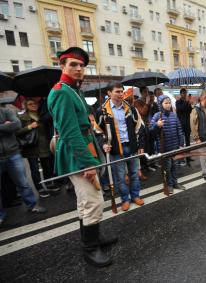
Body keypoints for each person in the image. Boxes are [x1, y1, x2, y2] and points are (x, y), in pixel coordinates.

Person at [47, 47, 116, 267]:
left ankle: (94, 237)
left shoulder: (72, 89)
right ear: (62, 66)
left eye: (81, 65)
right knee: (93, 201)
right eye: (73, 65)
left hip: (84, 147)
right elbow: (69, 132)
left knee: (84, 201)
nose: (78, 69)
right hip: (77, 154)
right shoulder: (61, 91)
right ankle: (90, 249)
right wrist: (88, 163)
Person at [96, 82, 145, 212]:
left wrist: (141, 144)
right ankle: (125, 199)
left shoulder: (130, 108)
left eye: (121, 91)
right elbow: (97, 131)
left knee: (134, 174)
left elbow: (139, 126)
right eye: (117, 91)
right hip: (116, 149)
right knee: (121, 177)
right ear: (109, 93)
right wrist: (103, 143)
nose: (120, 94)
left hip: (131, 146)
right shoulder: (102, 111)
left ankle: (135, 196)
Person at [0, 102, 47, 226]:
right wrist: (5, 127)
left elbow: (16, 125)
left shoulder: (6, 111)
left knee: (23, 182)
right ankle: (0, 215)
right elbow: (13, 128)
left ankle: (32, 205)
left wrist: (8, 127)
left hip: (13, 153)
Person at [16, 98, 57, 197]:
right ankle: (40, 188)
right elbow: (17, 132)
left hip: (44, 144)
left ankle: (49, 183)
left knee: (46, 166)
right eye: (30, 104)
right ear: (26, 105)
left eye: (35, 104)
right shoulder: (21, 117)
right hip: (31, 146)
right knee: (34, 169)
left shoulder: (42, 115)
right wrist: (29, 127)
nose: (34, 105)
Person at [150, 95, 185, 193]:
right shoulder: (157, 116)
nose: (168, 105)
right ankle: (169, 185)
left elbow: (179, 130)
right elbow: (151, 131)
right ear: (160, 104)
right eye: (166, 103)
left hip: (175, 147)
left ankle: (175, 183)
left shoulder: (174, 115)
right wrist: (157, 125)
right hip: (164, 148)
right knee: (167, 168)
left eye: (169, 103)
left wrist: (181, 144)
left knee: (175, 166)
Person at [176, 88, 193, 166]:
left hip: (187, 124)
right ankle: (181, 158)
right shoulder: (178, 102)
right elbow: (181, 108)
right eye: (183, 93)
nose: (184, 94)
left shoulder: (187, 102)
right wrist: (187, 103)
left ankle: (188, 157)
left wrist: (190, 104)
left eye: (185, 93)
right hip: (180, 124)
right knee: (181, 142)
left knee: (188, 141)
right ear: (180, 94)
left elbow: (189, 111)